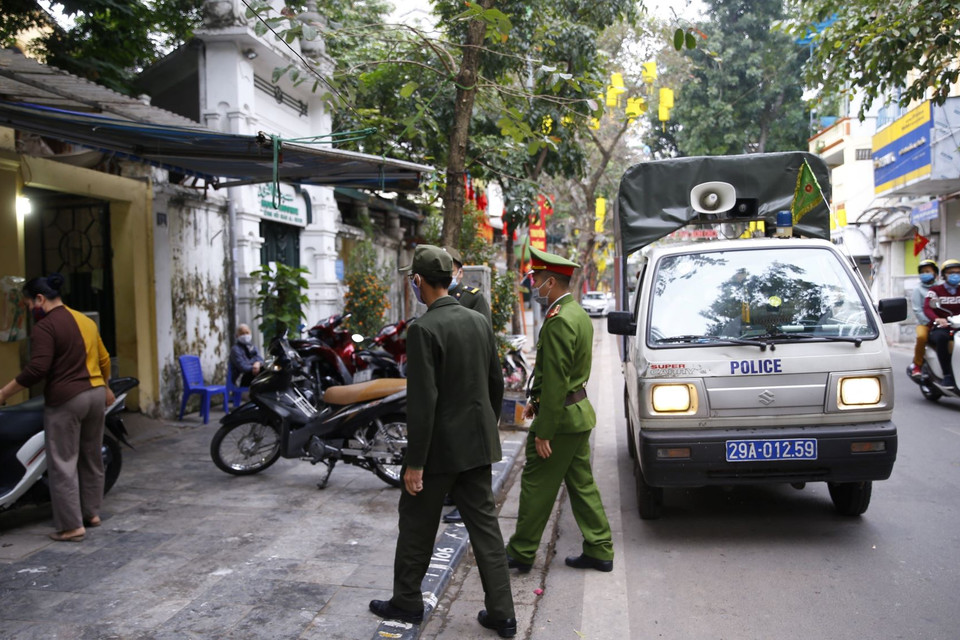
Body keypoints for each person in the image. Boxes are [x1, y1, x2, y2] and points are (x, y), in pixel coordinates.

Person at [369, 245, 516, 638]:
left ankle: (407, 601)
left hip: (437, 452)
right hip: (477, 445)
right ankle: (502, 613)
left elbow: (423, 402)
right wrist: (486, 429)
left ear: (418, 280)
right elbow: (495, 385)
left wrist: (414, 463)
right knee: (485, 528)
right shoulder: (478, 321)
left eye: (411, 279)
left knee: (417, 525)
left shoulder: (423, 329)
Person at [505, 246, 614, 574]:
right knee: (581, 484)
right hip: (576, 414)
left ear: (550, 282)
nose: (532, 285)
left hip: (561, 420)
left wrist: (544, 431)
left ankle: (522, 551)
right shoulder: (577, 314)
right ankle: (600, 546)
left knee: (537, 484)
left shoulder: (558, 321)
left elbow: (554, 382)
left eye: (536, 279)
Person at [0, 273, 115, 542]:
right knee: (91, 456)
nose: (30, 310)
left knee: (63, 463)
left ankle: (72, 526)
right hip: (96, 395)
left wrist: (4, 392)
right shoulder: (85, 320)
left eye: (29, 304)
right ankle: (92, 513)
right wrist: (107, 386)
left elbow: (37, 368)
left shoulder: (45, 327)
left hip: (67, 399)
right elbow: (105, 358)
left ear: (40, 299)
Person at [441, 245, 491, 524]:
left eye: (452, 270)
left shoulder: (472, 298)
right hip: (446, 381)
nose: (448, 274)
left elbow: (484, 340)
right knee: (449, 440)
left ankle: (467, 502)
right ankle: (453, 492)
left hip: (467, 381)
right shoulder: (434, 297)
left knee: (467, 443)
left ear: (460, 272)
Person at [923, 258, 960, 389]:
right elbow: (927, 307)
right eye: (951, 272)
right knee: (942, 339)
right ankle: (947, 375)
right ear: (944, 275)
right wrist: (937, 319)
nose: (955, 275)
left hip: (958, 328)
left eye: (958, 272)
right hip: (942, 327)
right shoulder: (935, 290)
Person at [444, 246, 492, 325]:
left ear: (460, 273)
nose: (445, 275)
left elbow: (484, 332)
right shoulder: (430, 296)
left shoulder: (473, 298)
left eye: (450, 271)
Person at [910, 259, 939, 378]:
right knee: (921, 337)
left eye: (928, 271)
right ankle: (917, 365)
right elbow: (917, 309)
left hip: (941, 322)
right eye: (922, 272)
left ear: (935, 273)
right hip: (924, 323)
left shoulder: (940, 287)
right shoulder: (917, 289)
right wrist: (929, 322)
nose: (925, 274)